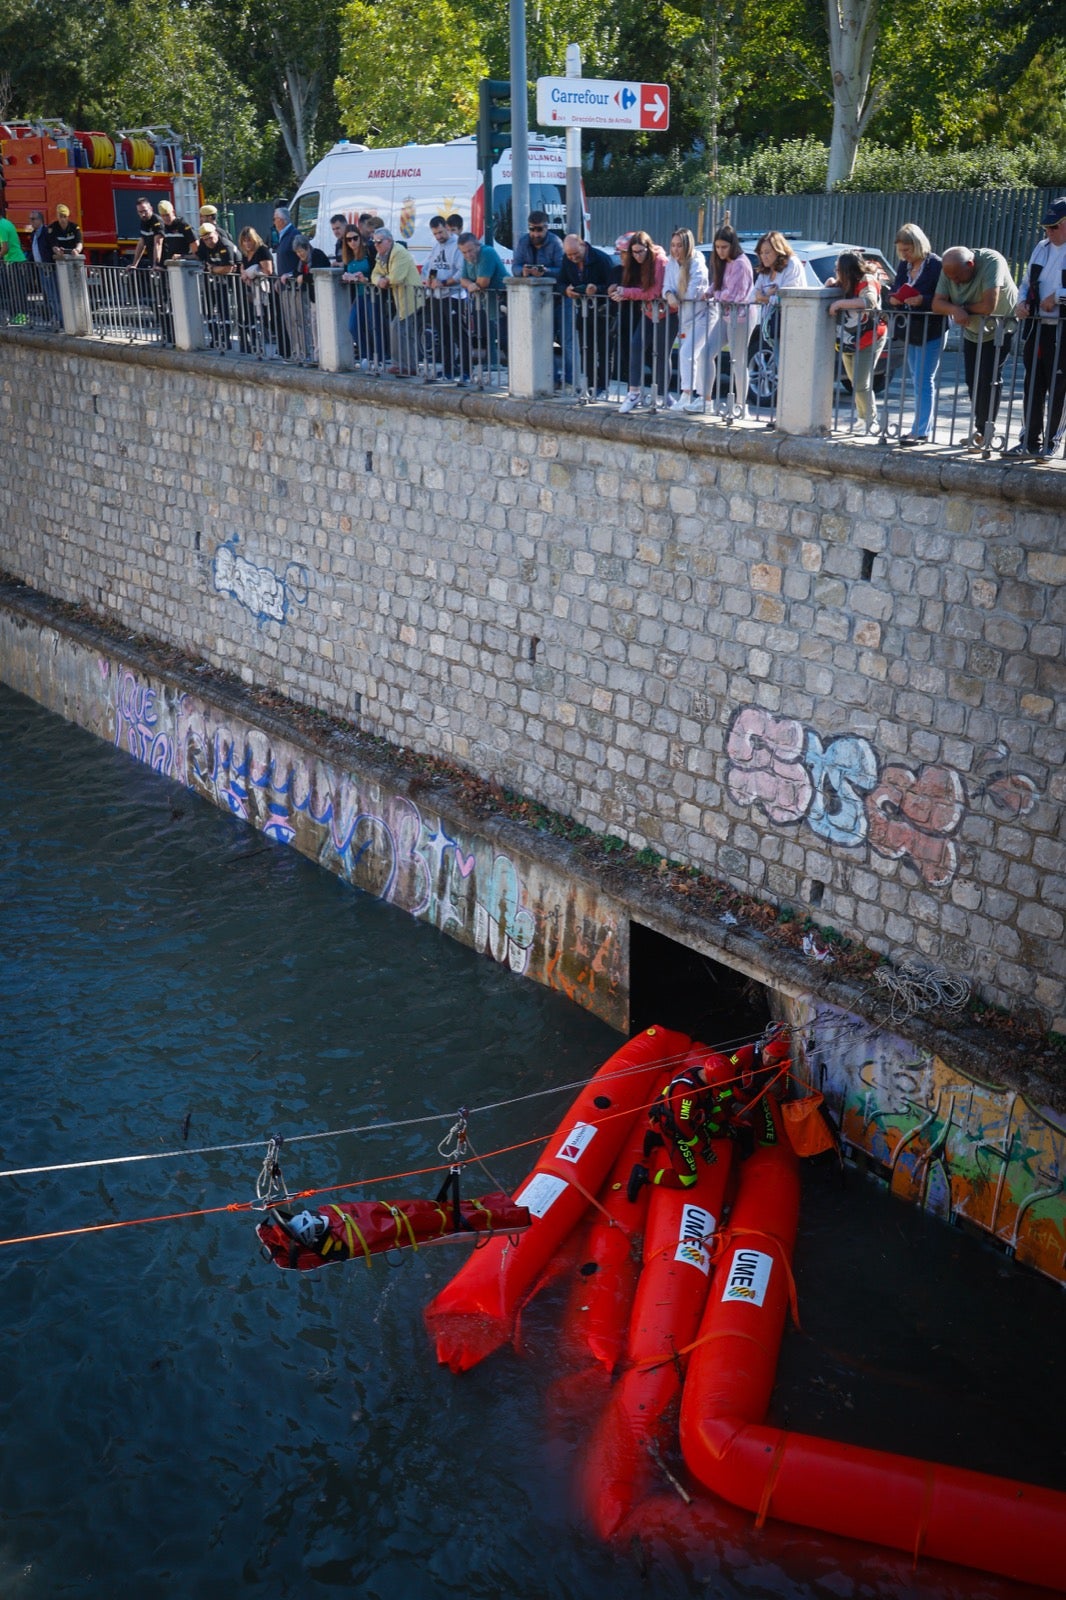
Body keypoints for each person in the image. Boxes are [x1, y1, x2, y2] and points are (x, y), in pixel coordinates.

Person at [627, 1028, 791, 1196]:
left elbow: (715, 1096)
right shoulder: (688, 1093)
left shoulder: (701, 1075)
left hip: (694, 1118)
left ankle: (655, 1139)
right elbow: (681, 1126)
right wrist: (701, 1148)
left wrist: (724, 1118)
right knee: (687, 1180)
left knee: (722, 1131)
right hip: (676, 1129)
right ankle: (643, 1174)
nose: (770, 1060)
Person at [931, 245, 1018, 448]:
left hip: (999, 328)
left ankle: (986, 432)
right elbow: (937, 304)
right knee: (973, 380)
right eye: (950, 277)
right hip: (973, 329)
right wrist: (954, 308)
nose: (954, 281)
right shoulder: (951, 268)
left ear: (970, 265)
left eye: (958, 277)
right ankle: (981, 430)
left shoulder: (991, 261)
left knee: (989, 379)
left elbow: (989, 306)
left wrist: (962, 309)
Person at [1009, 197, 1066, 460]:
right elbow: (1026, 280)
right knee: (1032, 384)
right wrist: (1021, 302)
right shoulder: (1041, 248)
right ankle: (1029, 439)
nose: (1048, 232)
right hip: (1037, 327)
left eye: (1054, 227)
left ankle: (1052, 443)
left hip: (1062, 329)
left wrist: (1057, 298)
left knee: (1059, 387)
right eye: (1046, 227)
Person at [887, 223, 944, 445]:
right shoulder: (904, 265)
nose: (904, 255)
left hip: (932, 328)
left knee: (923, 379)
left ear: (918, 245)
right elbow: (897, 287)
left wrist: (923, 300)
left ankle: (920, 431)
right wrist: (894, 298)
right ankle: (920, 428)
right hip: (910, 327)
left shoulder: (936, 264)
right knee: (916, 378)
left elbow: (944, 296)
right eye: (901, 250)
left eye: (907, 250)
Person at [608, 230, 670, 413]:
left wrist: (626, 293)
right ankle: (634, 393)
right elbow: (639, 289)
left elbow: (654, 292)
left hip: (666, 312)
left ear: (648, 248)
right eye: (633, 252)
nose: (637, 256)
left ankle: (662, 395)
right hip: (649, 311)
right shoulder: (636, 263)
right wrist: (622, 292)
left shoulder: (659, 261)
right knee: (636, 345)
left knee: (661, 353)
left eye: (640, 251)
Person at [828, 250, 889, 434]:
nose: (836, 272)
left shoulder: (866, 280)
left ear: (848, 270)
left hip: (869, 337)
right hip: (849, 339)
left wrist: (839, 304)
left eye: (839, 269)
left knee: (861, 382)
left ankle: (870, 421)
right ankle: (863, 419)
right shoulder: (846, 282)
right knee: (857, 383)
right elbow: (831, 291)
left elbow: (868, 301)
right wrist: (830, 284)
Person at [703, 222, 754, 419]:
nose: (720, 251)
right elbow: (719, 286)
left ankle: (742, 406)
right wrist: (709, 292)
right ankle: (706, 400)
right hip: (727, 315)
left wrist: (713, 293)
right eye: (717, 247)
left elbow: (733, 294)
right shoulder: (723, 262)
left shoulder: (741, 263)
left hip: (740, 316)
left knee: (738, 360)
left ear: (733, 245)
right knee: (707, 352)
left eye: (724, 247)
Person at [663, 227, 710, 413]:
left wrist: (676, 297)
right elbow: (666, 285)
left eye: (679, 246)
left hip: (702, 315)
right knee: (692, 355)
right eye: (673, 245)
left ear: (687, 246)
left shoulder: (697, 263)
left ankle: (687, 394)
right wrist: (668, 295)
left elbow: (693, 292)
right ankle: (695, 398)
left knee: (687, 353)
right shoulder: (671, 263)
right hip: (685, 316)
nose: (675, 250)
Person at [560, 233, 613, 399]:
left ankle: (603, 386)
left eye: (576, 254)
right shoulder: (567, 260)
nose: (573, 258)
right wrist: (566, 290)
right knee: (586, 349)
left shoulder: (601, 259)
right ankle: (590, 384)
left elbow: (612, 285)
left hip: (604, 312)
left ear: (583, 245)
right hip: (584, 312)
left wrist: (597, 289)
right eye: (569, 255)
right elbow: (560, 281)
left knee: (604, 351)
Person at [372, 226, 423, 376]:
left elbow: (396, 277)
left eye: (379, 241)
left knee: (403, 331)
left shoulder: (399, 253)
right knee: (399, 330)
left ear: (389, 241)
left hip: (411, 298)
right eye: (374, 242)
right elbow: (374, 274)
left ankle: (407, 366)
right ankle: (403, 365)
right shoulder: (382, 255)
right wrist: (380, 280)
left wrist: (384, 280)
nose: (376, 245)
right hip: (401, 300)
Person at [457, 230, 506, 386]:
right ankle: (491, 362)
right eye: (464, 252)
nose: (468, 255)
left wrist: (472, 284)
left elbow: (483, 282)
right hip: (486, 300)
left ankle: (503, 363)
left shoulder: (487, 253)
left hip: (502, 298)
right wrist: (471, 285)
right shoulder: (467, 259)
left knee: (503, 335)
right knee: (487, 330)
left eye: (471, 250)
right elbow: (463, 279)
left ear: (478, 246)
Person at [421, 215, 464, 381]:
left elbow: (461, 272)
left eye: (440, 232)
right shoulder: (436, 247)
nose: (439, 237)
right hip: (438, 296)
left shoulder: (458, 245)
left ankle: (463, 370)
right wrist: (429, 280)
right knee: (444, 336)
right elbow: (431, 266)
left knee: (459, 335)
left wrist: (444, 282)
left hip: (454, 296)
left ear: (447, 227)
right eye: (435, 234)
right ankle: (448, 369)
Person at [196, 221, 238, 349]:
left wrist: (213, 269)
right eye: (205, 239)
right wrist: (181, 257)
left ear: (216, 233)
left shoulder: (225, 245)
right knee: (209, 309)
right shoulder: (204, 244)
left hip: (229, 283)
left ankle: (226, 340)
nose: (209, 242)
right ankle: (214, 339)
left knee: (224, 310)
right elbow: (198, 256)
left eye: (210, 238)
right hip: (212, 281)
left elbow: (228, 268)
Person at [236, 225, 275, 354]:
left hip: (263, 290)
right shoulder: (245, 253)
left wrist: (251, 273)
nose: (247, 243)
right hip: (248, 289)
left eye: (249, 240)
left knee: (267, 319)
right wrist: (244, 274)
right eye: (244, 241)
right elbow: (242, 267)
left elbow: (268, 270)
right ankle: (251, 345)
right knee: (246, 318)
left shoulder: (262, 250)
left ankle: (267, 345)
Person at [340, 224, 375, 363]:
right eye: (349, 240)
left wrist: (365, 278)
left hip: (371, 293)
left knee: (373, 326)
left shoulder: (369, 251)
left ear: (360, 238)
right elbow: (344, 272)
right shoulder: (348, 257)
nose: (352, 242)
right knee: (353, 326)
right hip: (358, 295)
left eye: (355, 238)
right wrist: (346, 277)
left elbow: (376, 271)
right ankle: (366, 354)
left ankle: (375, 356)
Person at [0, 210, 28, 324]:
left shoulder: (1, 226)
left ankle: (21, 317)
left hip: (13, 261)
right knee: (18, 290)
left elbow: (5, 248)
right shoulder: (7, 223)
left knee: (16, 291)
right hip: (17, 259)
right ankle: (20, 316)